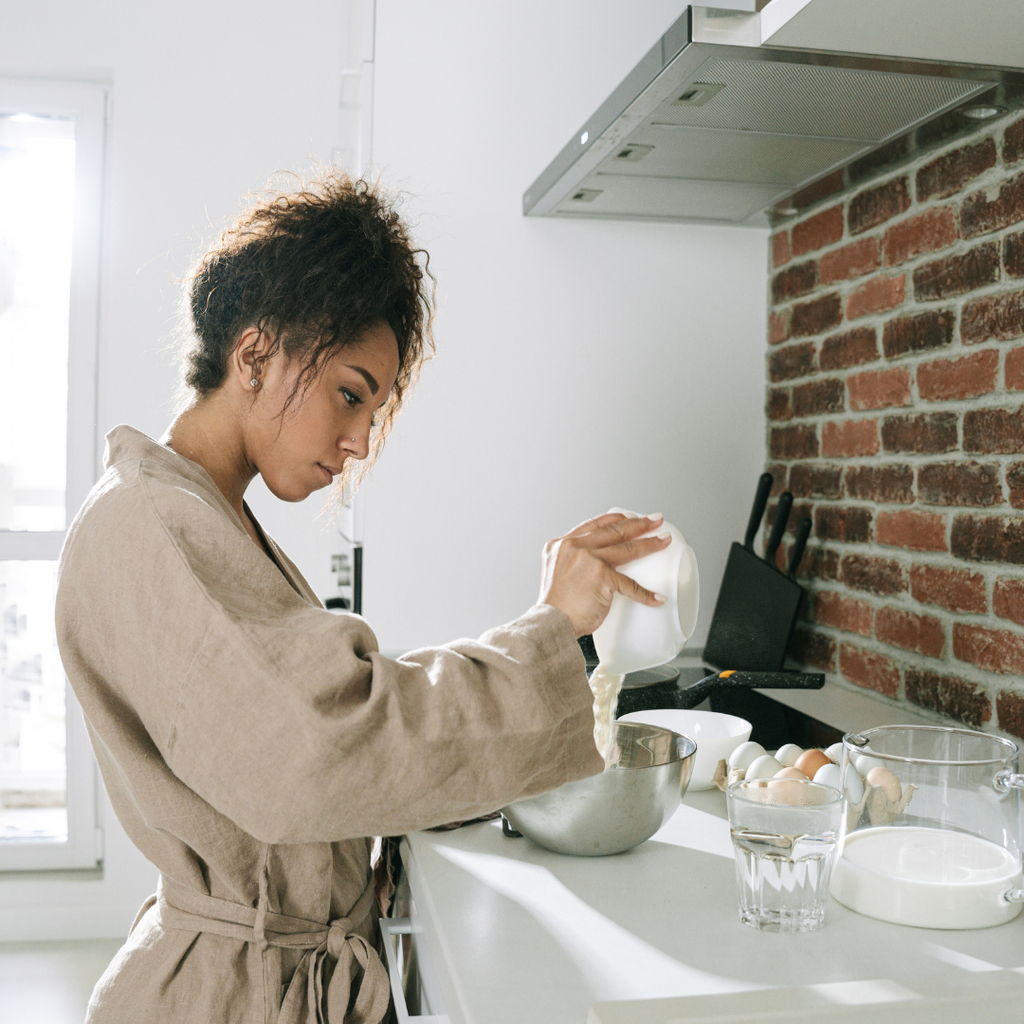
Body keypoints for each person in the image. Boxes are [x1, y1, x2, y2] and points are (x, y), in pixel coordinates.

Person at [55, 171, 670, 1024]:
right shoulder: (153, 523)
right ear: (255, 355)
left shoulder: (202, 513)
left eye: (373, 412)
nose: (357, 443)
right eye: (350, 394)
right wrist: (552, 629)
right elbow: (317, 750)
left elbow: (320, 708)